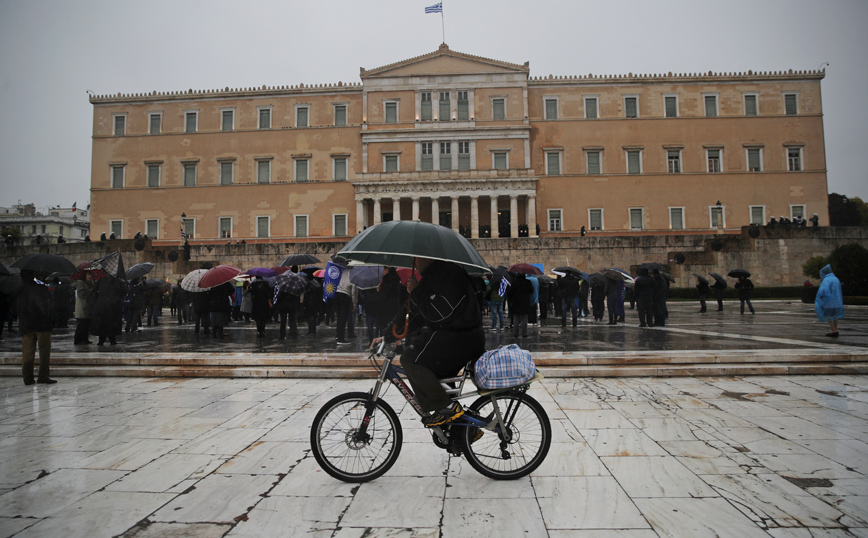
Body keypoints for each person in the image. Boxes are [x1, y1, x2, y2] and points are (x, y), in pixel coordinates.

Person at [374, 258, 484, 427]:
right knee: (437, 377)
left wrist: (417, 291)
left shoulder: (447, 275)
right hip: (455, 338)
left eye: (417, 259)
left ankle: (447, 408)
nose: (415, 263)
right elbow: (413, 312)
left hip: (462, 339)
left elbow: (440, 313)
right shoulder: (433, 276)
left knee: (411, 359)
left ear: (428, 257)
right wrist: (388, 335)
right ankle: (459, 431)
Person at [17, 271, 56, 385]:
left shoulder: (19, 291)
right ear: (33, 277)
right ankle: (43, 376)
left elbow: (16, 307)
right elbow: (49, 304)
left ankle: (28, 377)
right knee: (44, 352)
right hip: (42, 324)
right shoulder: (41, 289)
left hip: (27, 325)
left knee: (27, 354)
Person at [89, 273, 126, 346]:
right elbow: (124, 292)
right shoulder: (118, 281)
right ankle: (112, 339)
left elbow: (93, 291)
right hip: (114, 305)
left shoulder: (101, 280)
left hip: (102, 305)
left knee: (102, 323)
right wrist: (117, 297)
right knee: (112, 322)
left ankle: (101, 340)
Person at [815, 264, 843, 337]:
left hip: (830, 302)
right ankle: (835, 329)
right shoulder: (836, 278)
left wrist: (821, 297)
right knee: (835, 316)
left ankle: (833, 331)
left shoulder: (827, 279)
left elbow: (824, 290)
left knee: (829, 316)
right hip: (837, 301)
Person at [334, 266, 358, 345]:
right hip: (345, 295)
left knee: (339, 316)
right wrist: (354, 303)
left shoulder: (341, 270)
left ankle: (338, 335)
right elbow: (353, 291)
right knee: (343, 318)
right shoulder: (353, 273)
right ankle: (341, 339)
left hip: (337, 294)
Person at [506, 272, 533, 338]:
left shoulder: (515, 282)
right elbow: (531, 291)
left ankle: (516, 333)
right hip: (525, 302)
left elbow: (509, 292)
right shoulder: (528, 282)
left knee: (516, 318)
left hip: (516, 302)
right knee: (524, 318)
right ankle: (524, 333)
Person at [73, 271, 93, 344]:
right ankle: (78, 340)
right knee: (81, 325)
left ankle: (84, 339)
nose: (90, 276)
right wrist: (90, 291)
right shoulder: (80, 282)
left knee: (86, 325)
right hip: (82, 307)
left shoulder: (87, 283)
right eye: (88, 274)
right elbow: (82, 293)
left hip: (87, 307)